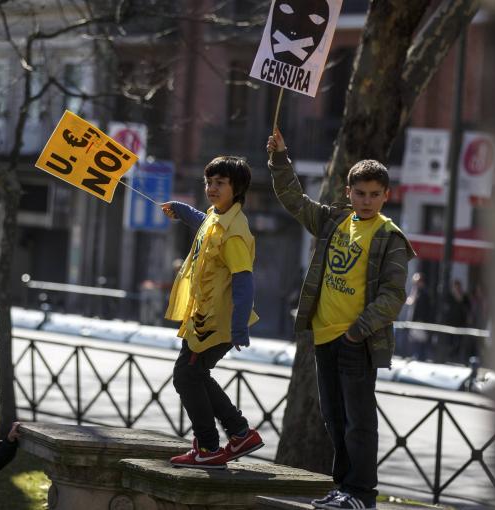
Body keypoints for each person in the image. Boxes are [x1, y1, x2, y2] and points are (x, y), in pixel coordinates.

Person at [267, 129, 414, 510]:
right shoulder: (334, 221)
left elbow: (393, 296)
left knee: (359, 423)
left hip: (357, 342)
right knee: (334, 419)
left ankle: (361, 496)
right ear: (348, 192)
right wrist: (280, 158)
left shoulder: (389, 237)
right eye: (360, 193)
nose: (366, 200)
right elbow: (293, 201)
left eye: (374, 194)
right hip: (323, 338)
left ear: (386, 196)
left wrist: (357, 332)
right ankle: (343, 490)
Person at [161, 156, 264, 469]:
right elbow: (204, 223)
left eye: (220, 183)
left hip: (217, 323)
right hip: (203, 318)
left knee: (186, 376)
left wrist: (239, 327)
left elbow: (244, 281)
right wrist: (181, 210)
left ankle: (208, 447)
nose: (212, 188)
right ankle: (240, 433)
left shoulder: (234, 231)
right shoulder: (218, 218)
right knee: (194, 374)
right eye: (209, 182)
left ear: (237, 188)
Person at [406, 272, 434, 361]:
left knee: (421, 340)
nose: (415, 284)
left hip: (421, 321)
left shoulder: (424, 293)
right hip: (416, 320)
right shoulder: (415, 291)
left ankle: (421, 356)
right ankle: (417, 355)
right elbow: (409, 301)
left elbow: (424, 308)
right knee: (415, 339)